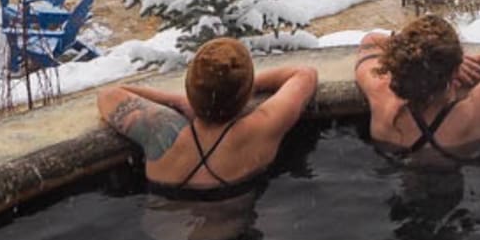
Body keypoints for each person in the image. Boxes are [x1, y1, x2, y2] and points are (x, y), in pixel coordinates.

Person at [97, 38, 317, 200]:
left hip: (164, 239)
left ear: (189, 89)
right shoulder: (262, 127)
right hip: (232, 233)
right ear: (247, 92)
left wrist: (180, 101)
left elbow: (108, 95)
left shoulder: (162, 130)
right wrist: (239, 86)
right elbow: (304, 74)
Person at [355, 16, 480, 165]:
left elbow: (371, 40)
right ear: (454, 72)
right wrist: (476, 61)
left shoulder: (381, 99)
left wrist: (409, 50)